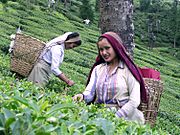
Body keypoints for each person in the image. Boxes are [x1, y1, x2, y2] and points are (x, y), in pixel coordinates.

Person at [73, 32, 148, 124]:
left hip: (127, 119)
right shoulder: (98, 69)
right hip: (102, 116)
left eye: (107, 48)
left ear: (116, 47)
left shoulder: (128, 70)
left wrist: (116, 116)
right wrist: (82, 96)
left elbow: (134, 101)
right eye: (101, 49)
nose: (104, 53)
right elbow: (90, 93)